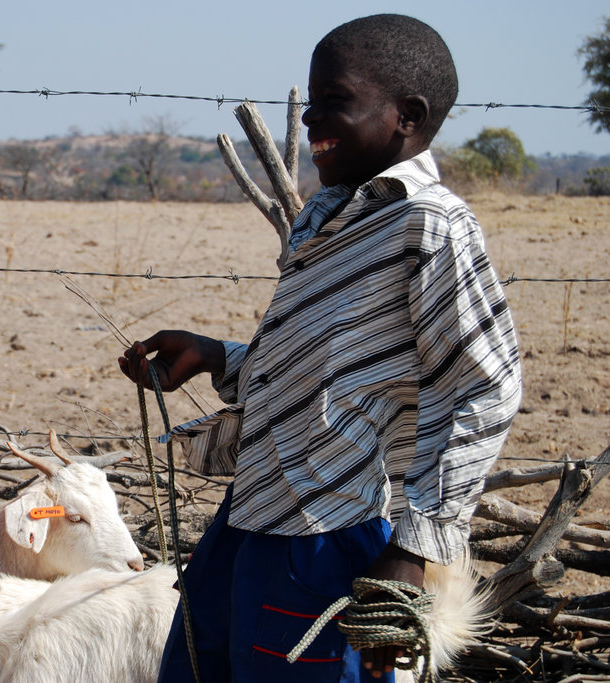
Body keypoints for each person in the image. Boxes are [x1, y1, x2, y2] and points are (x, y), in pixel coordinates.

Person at [119, 14, 522, 683]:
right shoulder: (328, 215)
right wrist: (216, 356)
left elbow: (485, 388)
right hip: (250, 519)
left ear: (407, 117)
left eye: (334, 100)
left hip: (328, 532)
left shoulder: (431, 226)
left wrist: (415, 548)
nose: (310, 119)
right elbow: (322, 374)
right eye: (310, 101)